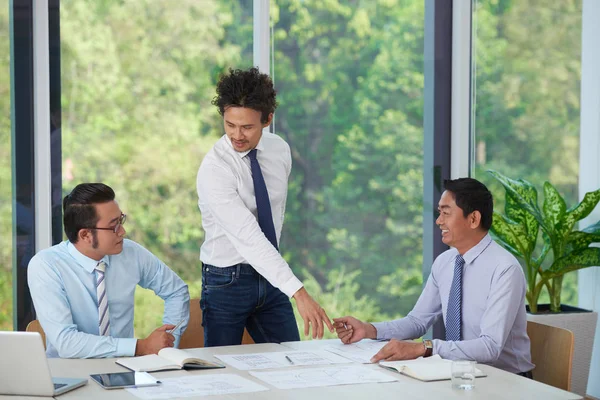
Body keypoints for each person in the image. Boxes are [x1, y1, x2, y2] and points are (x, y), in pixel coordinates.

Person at [334, 178, 534, 376]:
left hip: (505, 379)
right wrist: (368, 329)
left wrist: (424, 348)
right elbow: (417, 321)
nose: (439, 221)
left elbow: (489, 347)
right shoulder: (445, 262)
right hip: (459, 373)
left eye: (446, 213)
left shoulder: (505, 269)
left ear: (473, 219)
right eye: (440, 213)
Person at [196, 67, 333, 346]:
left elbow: (275, 214)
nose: (237, 135)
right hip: (226, 281)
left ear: (268, 119)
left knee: (291, 362)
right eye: (229, 124)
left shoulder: (279, 150)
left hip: (270, 275)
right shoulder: (215, 169)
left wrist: (281, 278)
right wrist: (299, 293)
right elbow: (248, 237)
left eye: (247, 127)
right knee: (224, 377)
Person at [28, 183, 190, 358]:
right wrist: (140, 347)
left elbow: (176, 291)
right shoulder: (47, 265)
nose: (122, 231)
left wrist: (167, 342)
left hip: (124, 368)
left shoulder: (131, 253)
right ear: (85, 235)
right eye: (114, 226)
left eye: (121, 220)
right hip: (69, 373)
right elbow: (67, 343)